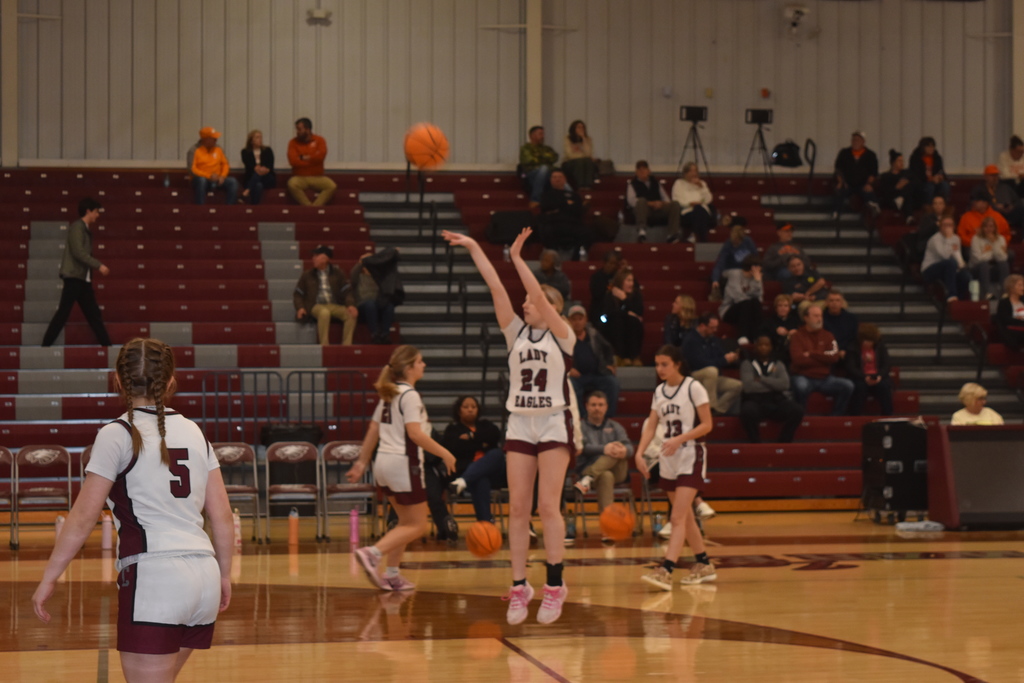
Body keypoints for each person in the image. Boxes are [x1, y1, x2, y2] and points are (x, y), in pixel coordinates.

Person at [32, 338, 234, 682]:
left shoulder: (116, 434)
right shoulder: (194, 431)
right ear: (170, 381)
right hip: (204, 577)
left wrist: (50, 576)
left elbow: (82, 517)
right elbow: (223, 517)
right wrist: (225, 575)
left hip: (155, 579)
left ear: (118, 379)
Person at [442, 226, 575, 625]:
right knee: (518, 508)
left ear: (550, 306)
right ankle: (520, 586)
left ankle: (555, 585)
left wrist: (518, 258)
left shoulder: (563, 336)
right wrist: (474, 247)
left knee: (547, 507)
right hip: (520, 423)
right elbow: (496, 286)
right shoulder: (515, 334)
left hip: (552, 423)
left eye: (534, 302)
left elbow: (533, 293)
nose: (525, 304)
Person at [350, 345, 457, 591]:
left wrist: (361, 463)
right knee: (418, 525)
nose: (424, 365)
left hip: (383, 464)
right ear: (409, 368)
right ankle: (372, 553)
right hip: (402, 464)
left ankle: (392, 574)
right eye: (420, 361)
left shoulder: (390, 393)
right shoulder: (410, 395)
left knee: (403, 522)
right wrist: (445, 453)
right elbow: (416, 434)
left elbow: (373, 430)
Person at [635, 345, 716, 589]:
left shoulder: (693, 387)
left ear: (677, 364)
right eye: (657, 364)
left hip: (690, 454)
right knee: (687, 516)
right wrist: (639, 453)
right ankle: (703, 563)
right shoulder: (659, 391)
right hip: (668, 457)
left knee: (677, 516)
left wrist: (680, 439)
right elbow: (651, 425)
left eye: (664, 364)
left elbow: (707, 425)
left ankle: (666, 569)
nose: (659, 369)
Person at [41, 197, 112, 347]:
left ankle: (107, 346)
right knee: (64, 313)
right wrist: (99, 266)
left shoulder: (83, 229)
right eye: (96, 212)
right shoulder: (77, 227)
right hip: (74, 278)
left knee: (93, 315)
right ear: (88, 211)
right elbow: (78, 252)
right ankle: (45, 345)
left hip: (82, 279)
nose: (98, 215)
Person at [573, 391, 633, 526]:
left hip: (618, 471)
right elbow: (582, 448)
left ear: (606, 407)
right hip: (590, 469)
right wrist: (604, 449)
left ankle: (587, 478)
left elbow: (630, 448)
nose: (597, 408)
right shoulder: (580, 427)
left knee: (615, 450)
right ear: (586, 406)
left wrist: (624, 450)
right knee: (606, 475)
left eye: (600, 405)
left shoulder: (615, 426)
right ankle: (608, 525)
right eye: (593, 405)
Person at [445, 397, 507, 523]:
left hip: (494, 473)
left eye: (474, 407)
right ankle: (486, 524)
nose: (470, 410)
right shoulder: (452, 430)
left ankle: (462, 482)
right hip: (466, 470)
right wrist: (482, 443)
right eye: (466, 407)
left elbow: (495, 435)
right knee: (480, 479)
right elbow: (455, 448)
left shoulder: (486, 425)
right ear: (459, 410)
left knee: (497, 453)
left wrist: (471, 437)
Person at [788, 304, 854, 415]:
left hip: (825, 378)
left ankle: (836, 417)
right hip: (804, 376)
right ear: (806, 318)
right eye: (815, 316)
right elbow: (798, 360)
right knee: (800, 386)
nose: (819, 319)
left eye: (820, 316)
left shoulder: (828, 336)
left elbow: (834, 357)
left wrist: (811, 353)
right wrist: (823, 359)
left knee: (848, 385)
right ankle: (801, 417)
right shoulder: (797, 336)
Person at [740, 335, 803, 443]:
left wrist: (761, 379)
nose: (763, 347)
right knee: (747, 411)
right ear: (755, 347)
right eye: (761, 345)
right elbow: (749, 387)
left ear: (771, 347)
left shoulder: (778, 364)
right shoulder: (747, 364)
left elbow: (784, 384)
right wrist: (773, 383)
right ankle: (755, 442)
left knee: (797, 410)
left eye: (767, 345)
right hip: (755, 401)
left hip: (776, 400)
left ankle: (784, 441)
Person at [293, 245, 358, 346]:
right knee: (324, 313)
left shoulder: (338, 273)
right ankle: (324, 345)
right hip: (315, 305)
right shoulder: (307, 275)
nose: (313, 259)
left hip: (334, 305)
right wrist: (300, 308)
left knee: (350, 314)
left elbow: (347, 291)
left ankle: (347, 345)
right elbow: (298, 294)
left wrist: (350, 304)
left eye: (316, 256)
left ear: (325, 258)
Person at [682, 314, 742, 416]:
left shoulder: (713, 339)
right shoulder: (691, 340)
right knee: (711, 371)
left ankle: (717, 410)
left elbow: (720, 356)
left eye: (716, 327)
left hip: (711, 376)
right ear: (702, 326)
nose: (715, 330)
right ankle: (710, 408)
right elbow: (700, 363)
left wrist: (729, 357)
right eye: (712, 327)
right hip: (694, 375)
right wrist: (724, 360)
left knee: (737, 385)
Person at [567, 305, 619, 417]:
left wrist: (610, 364)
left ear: (585, 320)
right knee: (570, 385)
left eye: (580, 319)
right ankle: (582, 418)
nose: (577, 322)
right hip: (577, 376)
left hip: (597, 373)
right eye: (574, 319)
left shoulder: (594, 334)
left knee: (612, 383)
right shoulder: (565, 336)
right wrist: (568, 369)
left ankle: (608, 417)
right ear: (569, 321)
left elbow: (608, 348)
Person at [625, 160, 681, 242]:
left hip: (658, 209)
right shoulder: (632, 184)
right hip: (644, 210)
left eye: (644, 169)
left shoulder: (655, 183)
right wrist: (650, 204)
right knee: (641, 201)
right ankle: (641, 230)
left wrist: (660, 203)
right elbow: (632, 201)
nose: (643, 172)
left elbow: (666, 199)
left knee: (675, 204)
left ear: (649, 171)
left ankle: (673, 233)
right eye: (640, 170)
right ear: (636, 172)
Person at [539, 170, 589, 260]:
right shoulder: (546, 195)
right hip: (553, 222)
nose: (557, 179)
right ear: (550, 180)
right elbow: (545, 207)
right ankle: (553, 258)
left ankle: (575, 258)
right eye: (554, 177)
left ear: (565, 179)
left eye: (560, 177)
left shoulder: (574, 195)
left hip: (572, 223)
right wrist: (566, 204)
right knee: (546, 231)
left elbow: (578, 209)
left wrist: (558, 207)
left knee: (587, 233)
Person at [846, 323, 893, 416]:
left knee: (885, 386)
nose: (868, 343)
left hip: (878, 376)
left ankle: (887, 416)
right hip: (860, 377)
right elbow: (851, 368)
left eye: (870, 341)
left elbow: (886, 365)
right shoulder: (852, 347)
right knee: (859, 388)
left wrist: (879, 376)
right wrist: (865, 377)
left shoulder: (880, 347)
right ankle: (855, 416)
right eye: (865, 341)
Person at [286, 117, 336, 206]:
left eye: (299, 129)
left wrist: (302, 158)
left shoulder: (320, 140)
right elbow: (293, 161)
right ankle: (308, 206)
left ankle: (315, 206)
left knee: (332, 186)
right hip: (300, 177)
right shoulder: (293, 142)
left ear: (308, 129)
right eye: (297, 129)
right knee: (292, 184)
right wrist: (312, 160)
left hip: (318, 177)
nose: (297, 132)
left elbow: (320, 157)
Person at [600, 268, 644, 366]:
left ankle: (633, 356)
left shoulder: (636, 295)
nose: (631, 283)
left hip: (631, 326)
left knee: (633, 321)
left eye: (632, 280)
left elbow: (639, 311)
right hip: (614, 325)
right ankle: (621, 356)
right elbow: (609, 313)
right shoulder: (610, 295)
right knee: (618, 321)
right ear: (621, 281)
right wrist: (626, 313)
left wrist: (624, 299)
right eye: (628, 280)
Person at [922, 216, 971, 302]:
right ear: (940, 227)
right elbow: (945, 256)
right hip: (930, 269)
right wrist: (948, 239)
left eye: (950, 225)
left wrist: (962, 265)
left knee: (966, 276)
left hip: (949, 269)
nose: (947, 228)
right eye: (945, 225)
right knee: (950, 263)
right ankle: (951, 295)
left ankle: (958, 300)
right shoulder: (935, 239)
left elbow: (957, 256)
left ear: (954, 227)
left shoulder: (956, 238)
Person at [832, 131, 880, 219]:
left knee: (869, 193)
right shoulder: (844, 153)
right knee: (840, 191)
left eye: (858, 140)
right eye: (853, 140)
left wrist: (869, 184)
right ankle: (836, 213)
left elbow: (873, 172)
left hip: (862, 184)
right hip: (848, 183)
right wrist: (841, 182)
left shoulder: (870, 155)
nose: (855, 142)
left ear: (863, 141)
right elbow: (838, 169)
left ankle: (874, 211)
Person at [351, 253, 395, 345]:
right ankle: (374, 334)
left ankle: (385, 334)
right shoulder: (358, 276)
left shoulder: (378, 276)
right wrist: (361, 262)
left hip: (377, 303)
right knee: (370, 304)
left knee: (389, 305)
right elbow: (352, 274)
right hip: (363, 305)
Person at [719, 255, 763, 344]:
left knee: (756, 302)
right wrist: (750, 296)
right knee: (746, 303)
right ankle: (742, 336)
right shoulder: (735, 274)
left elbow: (759, 296)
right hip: (729, 309)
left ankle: (757, 337)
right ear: (753, 268)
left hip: (747, 309)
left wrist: (757, 282)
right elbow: (737, 296)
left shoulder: (757, 278)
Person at [191, 126, 239, 205]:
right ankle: (200, 207)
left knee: (232, 181)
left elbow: (225, 164)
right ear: (206, 139)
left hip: (218, 178)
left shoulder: (218, 150)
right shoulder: (196, 151)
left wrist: (222, 176)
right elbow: (193, 169)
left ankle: (229, 208)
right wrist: (209, 176)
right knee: (201, 181)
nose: (216, 140)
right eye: (214, 138)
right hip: (203, 178)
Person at [710, 222, 757, 300]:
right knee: (736, 273)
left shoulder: (748, 242)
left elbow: (756, 259)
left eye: (737, 241)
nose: (735, 243)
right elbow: (720, 263)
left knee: (757, 274)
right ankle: (738, 298)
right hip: (730, 270)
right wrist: (715, 279)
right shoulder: (728, 244)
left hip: (746, 270)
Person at [971, 165, 1024, 235]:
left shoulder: (1005, 188)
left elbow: (1017, 201)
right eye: (992, 175)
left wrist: (1011, 207)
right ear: (985, 176)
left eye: (996, 175)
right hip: (990, 215)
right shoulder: (979, 190)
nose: (995, 178)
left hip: (1008, 214)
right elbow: (976, 205)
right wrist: (995, 207)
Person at [671, 162, 715, 242]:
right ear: (685, 173)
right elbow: (676, 199)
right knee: (698, 213)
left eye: (695, 171)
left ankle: (695, 235)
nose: (694, 173)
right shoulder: (679, 183)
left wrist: (701, 187)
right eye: (691, 171)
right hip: (687, 210)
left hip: (702, 210)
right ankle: (701, 239)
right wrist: (689, 204)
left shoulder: (702, 184)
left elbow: (709, 199)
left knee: (700, 210)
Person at [969, 217, 1011, 300]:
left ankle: (1004, 293)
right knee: (984, 265)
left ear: (995, 228)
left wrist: (993, 244)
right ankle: (987, 293)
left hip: (993, 266)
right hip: (977, 267)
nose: (989, 229)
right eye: (986, 226)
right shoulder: (976, 238)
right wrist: (989, 253)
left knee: (1004, 264)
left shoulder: (1000, 239)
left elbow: (1003, 258)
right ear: (982, 228)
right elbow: (978, 259)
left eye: (991, 226)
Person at [520, 125, 559, 205]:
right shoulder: (526, 148)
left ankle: (571, 197)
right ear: (532, 135)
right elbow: (529, 160)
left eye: (543, 134)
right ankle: (535, 199)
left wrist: (539, 156)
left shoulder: (547, 148)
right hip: (531, 173)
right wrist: (545, 157)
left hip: (547, 174)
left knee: (558, 176)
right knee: (543, 168)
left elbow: (554, 157)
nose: (543, 136)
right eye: (540, 134)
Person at [908, 136, 950, 204]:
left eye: (933, 146)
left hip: (935, 182)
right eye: (928, 146)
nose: (931, 148)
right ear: (923, 147)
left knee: (944, 185)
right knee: (929, 187)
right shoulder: (916, 158)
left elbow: (941, 171)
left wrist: (940, 177)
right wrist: (931, 179)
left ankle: (943, 206)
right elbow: (916, 175)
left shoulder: (937, 158)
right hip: (922, 183)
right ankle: (928, 207)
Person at [240, 129, 276, 205]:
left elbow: (270, 166)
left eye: (260, 137)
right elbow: (249, 167)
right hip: (251, 177)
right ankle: (255, 207)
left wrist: (263, 170)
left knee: (259, 176)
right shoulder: (245, 152)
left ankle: (247, 191)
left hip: (267, 177)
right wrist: (258, 169)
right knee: (258, 185)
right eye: (257, 137)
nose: (260, 139)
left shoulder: (268, 150)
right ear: (251, 140)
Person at [822, 289, 859, 358]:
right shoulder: (820, 318)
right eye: (831, 300)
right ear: (826, 303)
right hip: (826, 352)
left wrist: (844, 349)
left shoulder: (851, 319)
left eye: (837, 300)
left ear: (842, 303)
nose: (834, 303)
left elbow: (854, 338)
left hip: (847, 352)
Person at [562, 120, 597, 190]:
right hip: (570, 163)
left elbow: (588, 153)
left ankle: (587, 185)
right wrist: (583, 155)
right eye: (578, 127)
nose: (581, 129)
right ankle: (580, 185)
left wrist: (584, 139)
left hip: (584, 162)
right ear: (573, 129)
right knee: (581, 161)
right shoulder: (568, 138)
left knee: (588, 161)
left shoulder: (588, 139)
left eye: (582, 127)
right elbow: (570, 155)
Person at [877, 149, 914, 216]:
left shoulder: (906, 173)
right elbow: (884, 192)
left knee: (909, 187)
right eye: (899, 161)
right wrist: (896, 188)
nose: (902, 163)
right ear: (893, 162)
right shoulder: (885, 176)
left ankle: (902, 200)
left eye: (902, 161)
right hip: (891, 198)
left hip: (906, 199)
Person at [995, 274, 1024, 350]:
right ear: (1011, 287)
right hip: (1012, 332)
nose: (1023, 288)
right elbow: (1005, 319)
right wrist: (1020, 320)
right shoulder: (1004, 303)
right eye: (1020, 285)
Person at [589, 250, 622, 319]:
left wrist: (622, 271)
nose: (612, 266)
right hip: (599, 309)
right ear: (604, 263)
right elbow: (597, 294)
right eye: (610, 263)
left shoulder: (619, 276)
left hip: (616, 310)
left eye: (614, 264)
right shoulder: (597, 276)